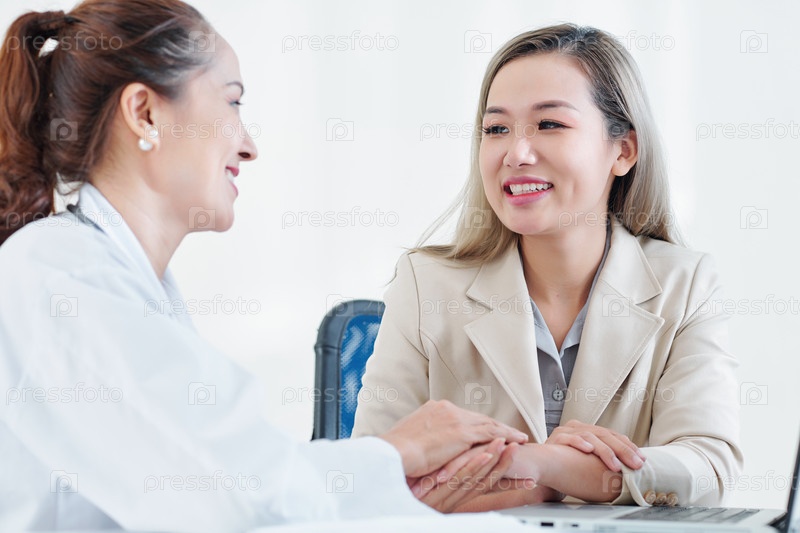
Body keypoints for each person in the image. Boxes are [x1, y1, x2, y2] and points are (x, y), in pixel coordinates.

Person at [0, 1, 533, 530]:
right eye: (231, 102)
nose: (249, 147)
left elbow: (239, 480)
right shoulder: (59, 275)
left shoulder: (114, 279)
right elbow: (231, 501)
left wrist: (393, 474)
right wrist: (395, 455)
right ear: (146, 113)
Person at [353, 24, 743, 509]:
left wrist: (541, 465)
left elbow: (707, 467)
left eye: (549, 124)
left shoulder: (684, 284)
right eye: (497, 129)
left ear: (623, 150)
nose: (516, 153)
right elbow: (373, 480)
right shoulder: (425, 283)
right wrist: (564, 479)